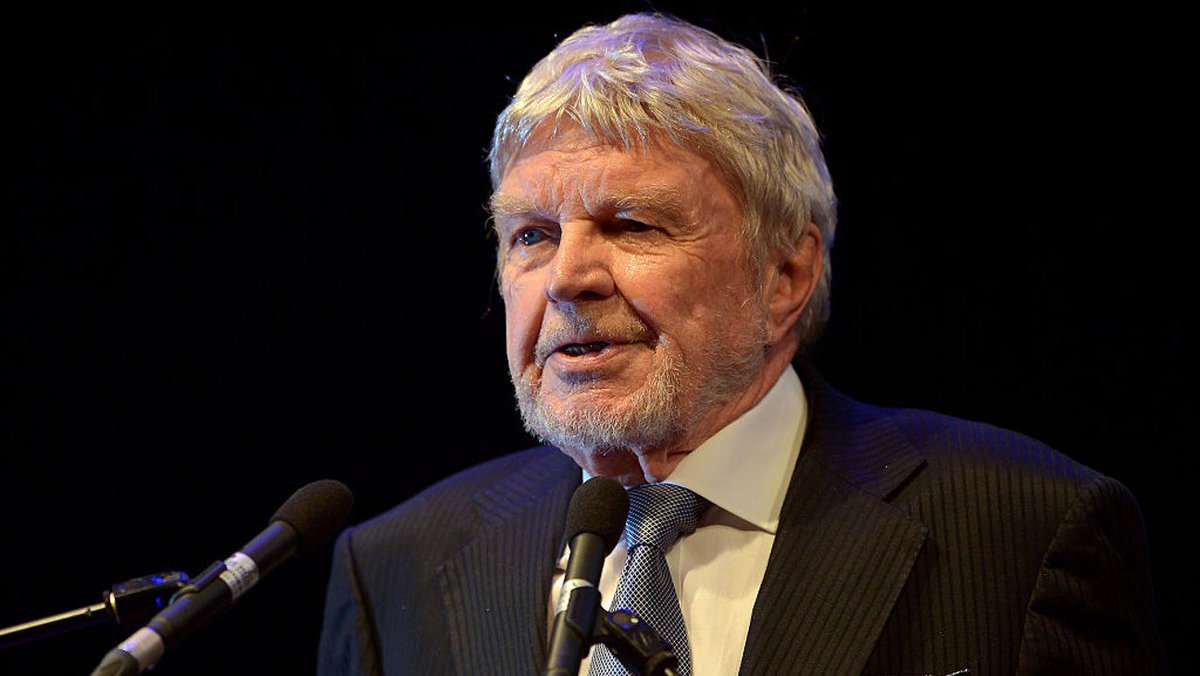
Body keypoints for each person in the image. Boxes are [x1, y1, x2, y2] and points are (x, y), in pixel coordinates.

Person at [317, 14, 1166, 675]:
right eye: (531, 235)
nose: (567, 278)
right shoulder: (395, 566)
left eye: (632, 224)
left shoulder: (1027, 532)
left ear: (785, 275)